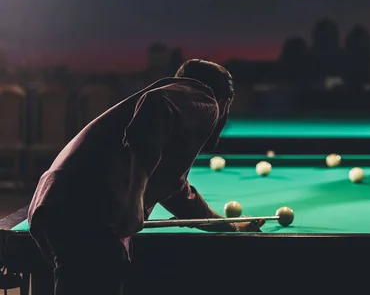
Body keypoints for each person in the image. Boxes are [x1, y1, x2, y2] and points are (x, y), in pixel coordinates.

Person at [27, 59, 264, 295]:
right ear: (226, 102)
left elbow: (176, 192)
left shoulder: (169, 123)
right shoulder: (205, 98)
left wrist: (228, 225)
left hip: (58, 202)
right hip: (90, 206)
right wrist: (134, 198)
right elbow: (158, 103)